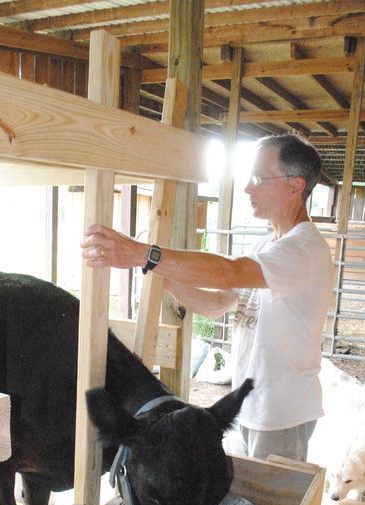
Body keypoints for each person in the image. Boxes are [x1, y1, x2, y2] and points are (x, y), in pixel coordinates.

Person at [81, 133, 334, 462]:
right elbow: (217, 304)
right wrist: (167, 280)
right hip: (253, 406)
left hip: (281, 413)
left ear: (295, 186)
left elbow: (228, 273)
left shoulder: (302, 249)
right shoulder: (267, 245)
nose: (247, 188)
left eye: (258, 178)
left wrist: (142, 254)